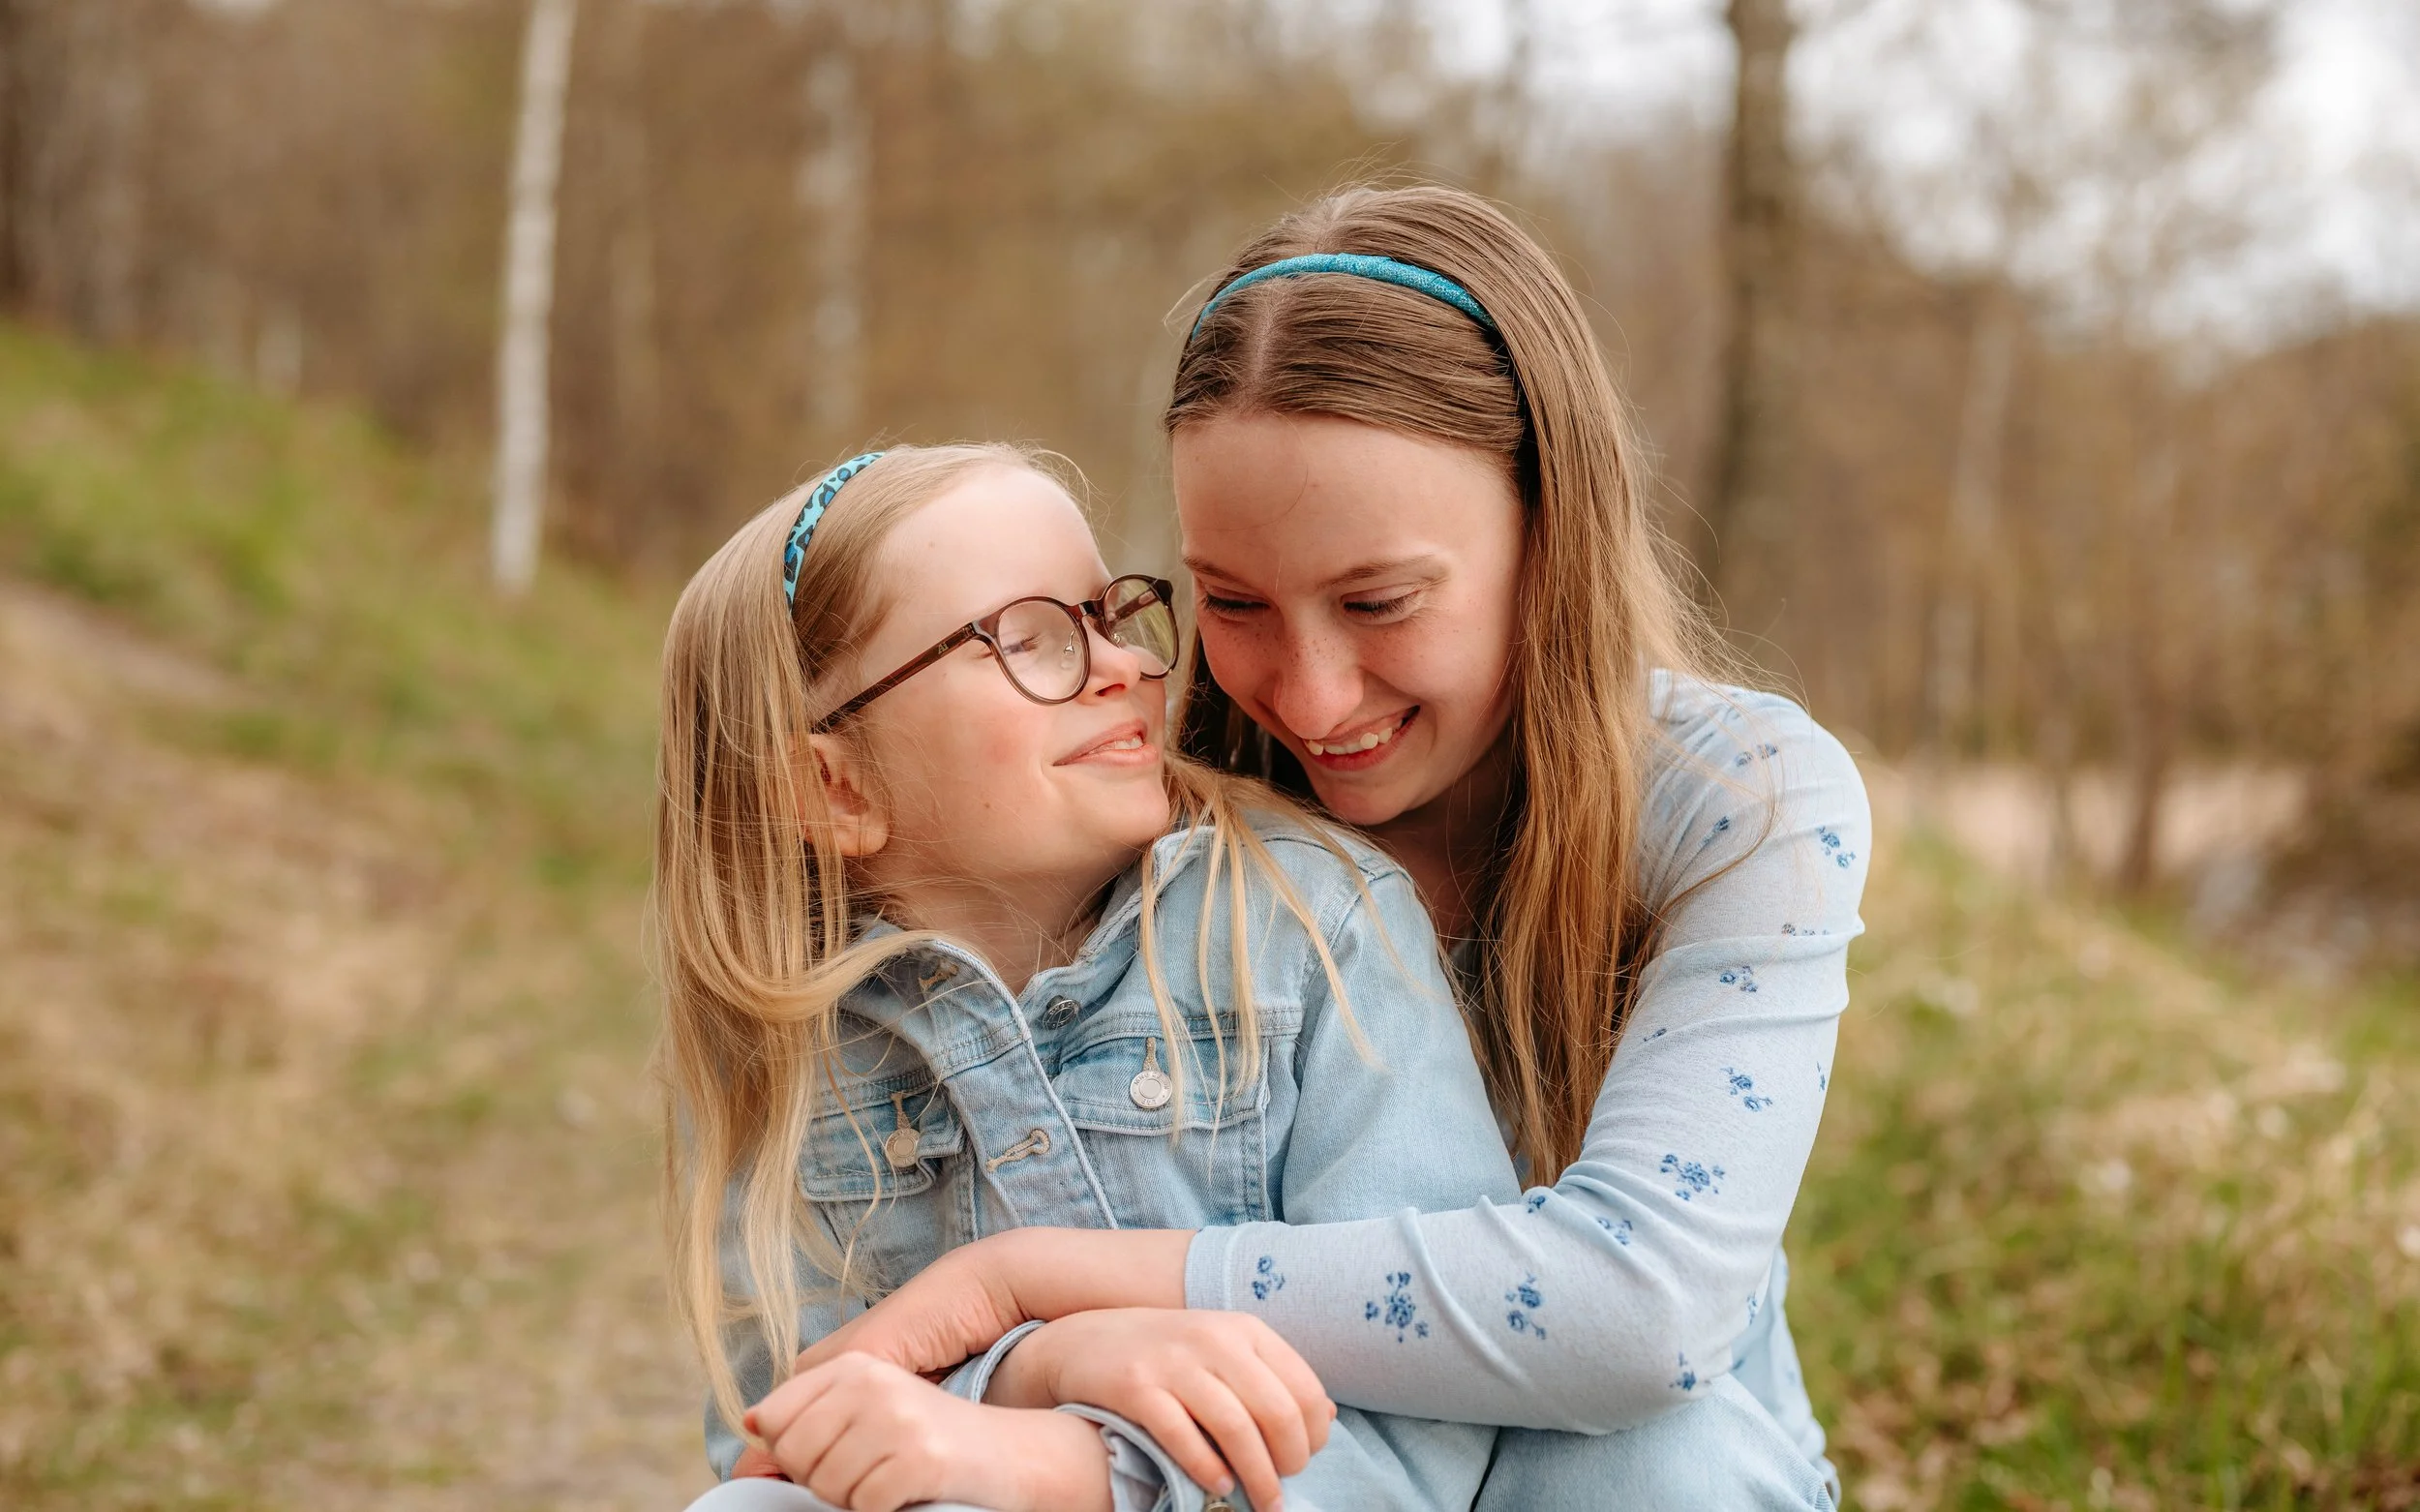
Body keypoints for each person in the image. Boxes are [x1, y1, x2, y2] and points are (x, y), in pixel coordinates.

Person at [790, 187, 1867, 1511]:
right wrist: (1044, 1361)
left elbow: (1642, 1313)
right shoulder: (1152, 840)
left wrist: (1029, 1282)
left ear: (1552, 537)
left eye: (1380, 601)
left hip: (1631, 1474)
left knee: (1643, 1462)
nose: (1306, 698)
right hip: (1269, 1476)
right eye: (1233, 602)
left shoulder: (1739, 802)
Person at [654, 442, 1525, 1512]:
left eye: (1110, 615)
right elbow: (778, 1436)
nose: (1129, 666)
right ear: (836, 788)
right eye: (1027, 638)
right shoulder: (793, 1046)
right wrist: (1041, 1368)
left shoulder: (1307, 926)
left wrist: (1059, 1461)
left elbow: (1437, 1411)